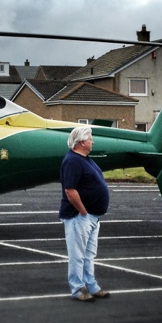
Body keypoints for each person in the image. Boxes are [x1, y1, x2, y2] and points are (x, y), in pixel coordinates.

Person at [59, 126, 110, 302]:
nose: (92, 141)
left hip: (92, 217)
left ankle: (91, 286)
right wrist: (82, 210)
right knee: (77, 255)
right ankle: (77, 288)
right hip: (79, 217)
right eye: (90, 138)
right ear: (81, 142)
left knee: (89, 255)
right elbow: (70, 190)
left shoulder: (85, 159)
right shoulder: (73, 161)